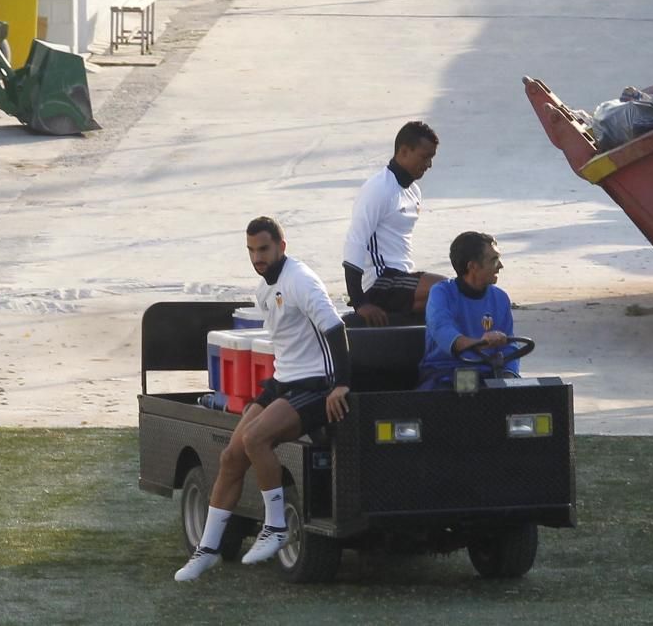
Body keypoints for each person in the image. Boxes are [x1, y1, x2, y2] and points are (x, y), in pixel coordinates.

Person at [175, 216, 352, 581]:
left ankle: (275, 528)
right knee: (231, 456)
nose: (258, 257)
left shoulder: (301, 281)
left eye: (264, 249)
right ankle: (207, 548)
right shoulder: (263, 290)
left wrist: (341, 385)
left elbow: (335, 328)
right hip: (283, 382)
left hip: (315, 386)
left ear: (281, 247)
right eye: (252, 250)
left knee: (257, 439)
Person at [342, 121, 447, 326]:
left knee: (456, 295)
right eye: (425, 157)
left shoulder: (414, 191)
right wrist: (359, 302)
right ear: (404, 151)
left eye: (432, 158)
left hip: (401, 278)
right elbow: (354, 242)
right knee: (443, 290)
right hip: (380, 282)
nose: (429, 165)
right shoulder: (378, 189)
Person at [417, 231, 516, 390]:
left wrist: (509, 377)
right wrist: (480, 343)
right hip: (443, 374)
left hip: (487, 374)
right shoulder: (441, 293)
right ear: (473, 267)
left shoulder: (500, 298)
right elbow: (445, 333)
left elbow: (510, 347)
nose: (501, 266)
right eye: (494, 260)